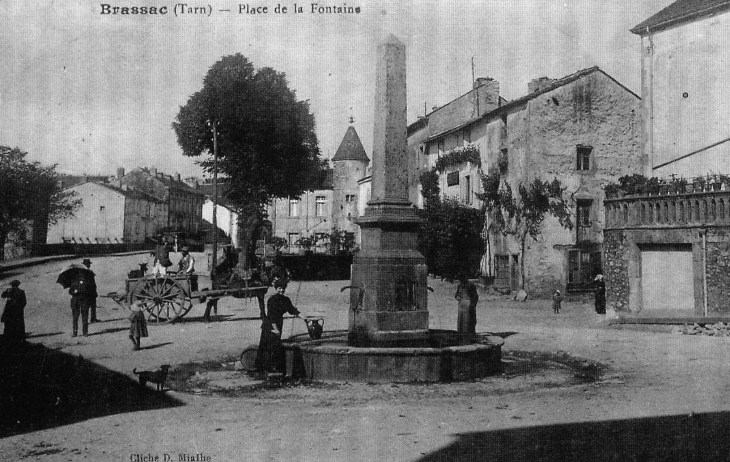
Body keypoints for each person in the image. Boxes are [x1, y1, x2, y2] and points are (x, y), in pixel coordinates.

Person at [253, 279, 300, 375]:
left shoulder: (286, 300)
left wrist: (306, 318)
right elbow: (271, 316)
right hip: (269, 325)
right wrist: (275, 329)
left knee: (275, 346)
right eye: (279, 288)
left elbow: (293, 310)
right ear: (276, 288)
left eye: (283, 288)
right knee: (267, 347)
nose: (281, 290)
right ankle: (263, 369)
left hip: (278, 324)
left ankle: (272, 368)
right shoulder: (272, 300)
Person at [68, 267, 97, 337]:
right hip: (76, 302)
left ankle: (85, 332)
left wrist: (82, 292)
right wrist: (73, 292)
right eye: (80, 274)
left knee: (85, 317)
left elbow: (90, 291)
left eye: (82, 274)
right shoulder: (74, 281)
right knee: (75, 318)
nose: (81, 276)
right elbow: (70, 291)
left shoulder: (88, 282)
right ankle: (75, 332)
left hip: (84, 301)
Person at [82, 258, 100, 322]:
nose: (89, 265)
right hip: (90, 292)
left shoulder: (82, 272)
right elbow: (92, 283)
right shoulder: (88, 272)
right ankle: (92, 318)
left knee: (88, 306)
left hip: (86, 292)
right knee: (91, 306)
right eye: (88, 264)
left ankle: (88, 319)